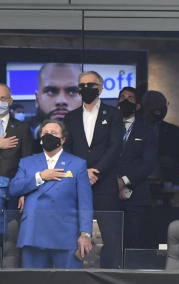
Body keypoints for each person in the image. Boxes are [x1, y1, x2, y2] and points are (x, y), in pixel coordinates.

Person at [9, 119, 93, 269]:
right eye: (45, 133)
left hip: (66, 234)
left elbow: (85, 202)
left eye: (53, 133)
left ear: (63, 139)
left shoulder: (77, 164)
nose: (48, 135)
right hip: (34, 232)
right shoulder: (27, 162)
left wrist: (85, 234)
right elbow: (14, 188)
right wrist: (40, 176)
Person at [63, 70, 125, 267]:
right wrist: (82, 174)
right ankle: (72, 279)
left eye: (90, 85)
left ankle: (111, 277)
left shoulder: (114, 114)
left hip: (105, 185)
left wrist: (96, 171)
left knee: (112, 237)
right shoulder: (70, 117)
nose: (86, 89)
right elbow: (68, 150)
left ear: (100, 87)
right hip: (78, 186)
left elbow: (115, 147)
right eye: (82, 85)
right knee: (74, 235)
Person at [116, 88, 160, 249]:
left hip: (136, 196)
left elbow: (148, 163)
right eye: (122, 97)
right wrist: (114, 182)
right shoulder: (107, 128)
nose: (125, 101)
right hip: (110, 194)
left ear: (138, 106)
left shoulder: (147, 130)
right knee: (111, 244)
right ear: (117, 103)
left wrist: (124, 181)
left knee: (134, 243)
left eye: (131, 98)